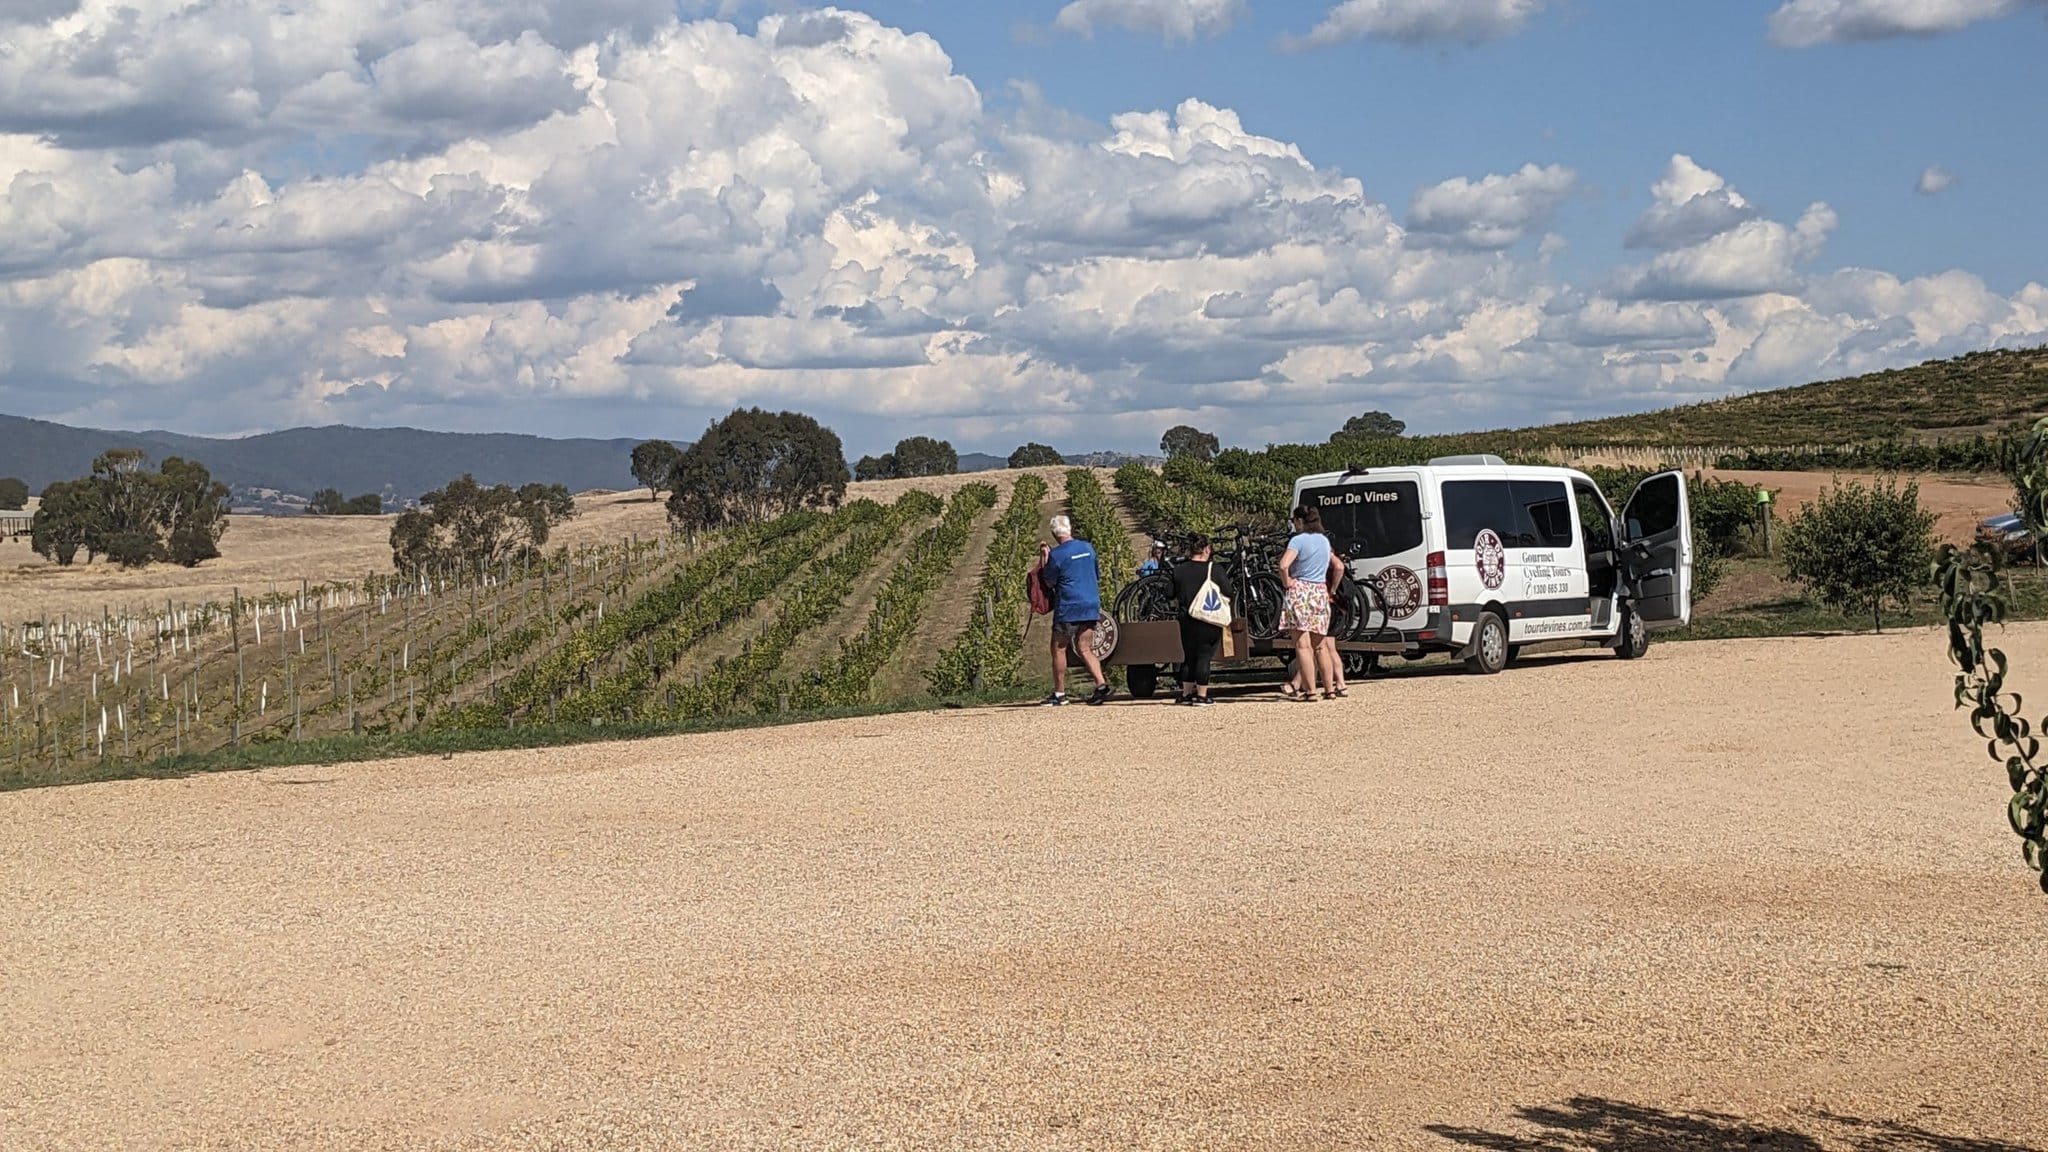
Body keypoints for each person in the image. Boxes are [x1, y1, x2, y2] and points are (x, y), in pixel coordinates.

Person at [1038, 515, 1111, 706]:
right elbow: (1096, 574)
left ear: (1055, 534)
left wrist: (1045, 558)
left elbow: (1049, 581)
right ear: (1069, 529)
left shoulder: (1057, 555)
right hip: (1091, 603)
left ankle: (1060, 694)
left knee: (1059, 647)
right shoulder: (1088, 548)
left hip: (1069, 606)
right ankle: (1101, 684)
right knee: (1085, 647)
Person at [1278, 504, 1344, 701]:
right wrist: (1331, 589)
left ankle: (1310, 691)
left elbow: (1283, 565)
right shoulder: (1324, 541)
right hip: (1320, 592)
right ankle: (1329, 689)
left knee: (1302, 645)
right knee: (1321, 646)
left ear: (1299, 521)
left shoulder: (1298, 541)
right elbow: (1339, 567)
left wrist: (1287, 582)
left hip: (1301, 592)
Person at [1170, 533, 1224, 706]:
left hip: (1186, 618)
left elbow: (1168, 593)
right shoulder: (1214, 569)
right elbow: (1228, 591)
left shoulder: (1179, 570)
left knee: (1188, 656)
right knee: (1203, 656)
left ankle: (1185, 694)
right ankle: (1201, 695)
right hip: (1209, 617)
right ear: (1206, 549)